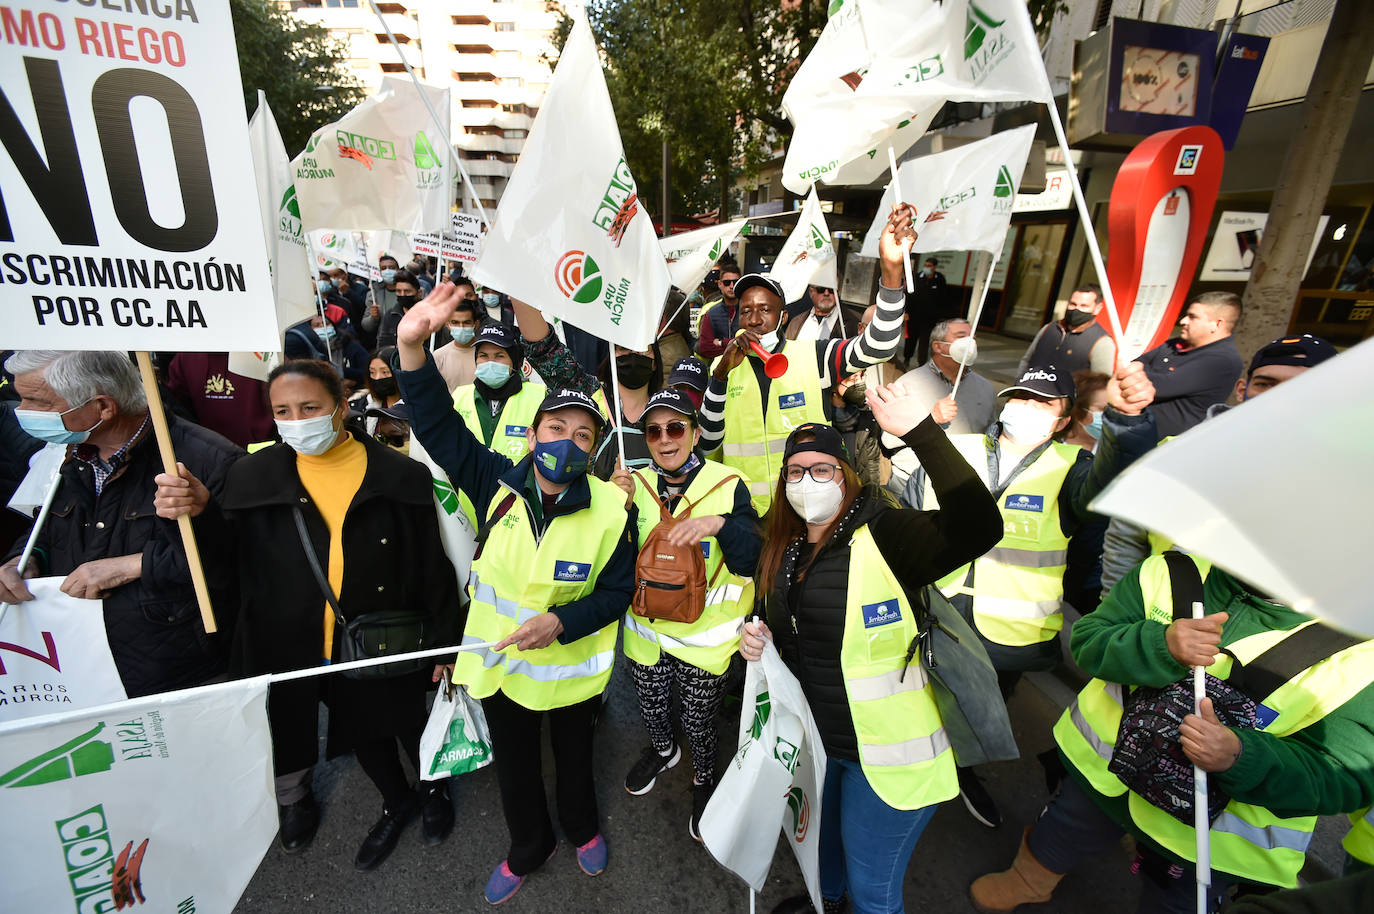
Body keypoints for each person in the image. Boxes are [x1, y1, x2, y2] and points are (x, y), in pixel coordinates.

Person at [152, 359, 461, 869]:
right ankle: (396, 799)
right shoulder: (251, 476)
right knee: (361, 731)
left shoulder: (399, 475)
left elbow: (431, 566)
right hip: (294, 643)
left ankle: (433, 793)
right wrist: (202, 514)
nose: (296, 420)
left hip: (382, 638)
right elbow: (228, 564)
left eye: (310, 407)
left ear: (341, 406)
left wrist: (446, 645)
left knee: (407, 720)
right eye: (282, 411)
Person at [391, 282, 637, 905]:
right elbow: (438, 426)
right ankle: (529, 845)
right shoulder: (495, 483)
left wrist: (561, 623)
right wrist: (410, 348)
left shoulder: (613, 509)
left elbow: (616, 593)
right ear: (532, 435)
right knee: (517, 766)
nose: (566, 442)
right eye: (556, 427)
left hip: (571, 675)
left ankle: (581, 829)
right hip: (499, 666)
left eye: (583, 436)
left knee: (575, 760)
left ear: (594, 450)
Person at [969, 550, 1374, 913]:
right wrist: (1159, 645)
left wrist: (1241, 756)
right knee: (1063, 829)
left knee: (1174, 901)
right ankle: (1029, 881)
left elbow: (1346, 772)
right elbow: (1090, 642)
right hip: (1103, 777)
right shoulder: (1173, 570)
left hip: (1209, 842)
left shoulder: (1359, 654)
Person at [738, 385, 1003, 914]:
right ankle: (826, 902)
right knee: (820, 847)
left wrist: (922, 434)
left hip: (888, 758)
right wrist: (757, 638)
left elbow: (979, 527)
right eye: (795, 471)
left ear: (847, 476)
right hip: (820, 744)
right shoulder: (783, 546)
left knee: (874, 894)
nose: (807, 481)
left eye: (822, 469)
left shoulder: (885, 534)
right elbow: (787, 626)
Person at [900, 361, 1159, 828]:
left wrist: (1128, 423)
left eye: (1044, 402)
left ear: (1064, 420)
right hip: (937, 610)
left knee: (981, 711)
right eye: (1020, 397)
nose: (1028, 408)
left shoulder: (1073, 471)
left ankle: (959, 772)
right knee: (920, 697)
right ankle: (912, 768)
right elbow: (909, 510)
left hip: (1011, 633)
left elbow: (1113, 474)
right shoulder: (955, 448)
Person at [0, 351, 241, 698]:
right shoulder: (61, 454)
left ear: (103, 407)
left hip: (174, 674)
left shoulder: (207, 459)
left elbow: (233, 561)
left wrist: (134, 565)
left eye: (37, 401)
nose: (22, 411)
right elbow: (44, 527)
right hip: (76, 663)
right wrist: (24, 559)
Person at [609, 388, 761, 839]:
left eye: (676, 427)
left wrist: (721, 525)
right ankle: (662, 750)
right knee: (652, 707)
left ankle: (703, 774)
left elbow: (753, 557)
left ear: (695, 434)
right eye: (653, 431)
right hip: (646, 633)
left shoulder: (728, 483)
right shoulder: (630, 484)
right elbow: (611, 558)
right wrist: (612, 508)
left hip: (706, 641)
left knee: (699, 719)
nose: (664, 438)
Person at [698, 205, 911, 513]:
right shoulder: (724, 369)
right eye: (746, 311)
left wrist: (891, 274)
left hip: (806, 512)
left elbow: (879, 346)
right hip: (746, 513)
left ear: (783, 317)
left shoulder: (815, 355)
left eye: (765, 310)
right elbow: (707, 444)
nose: (755, 320)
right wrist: (719, 376)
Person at [1099, 333, 1337, 597]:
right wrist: (1113, 619)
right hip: (1155, 627)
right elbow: (1126, 541)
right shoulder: (1175, 455)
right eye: (1265, 383)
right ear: (1241, 389)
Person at [510, 300, 663, 478]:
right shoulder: (587, 393)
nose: (634, 356)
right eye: (624, 348)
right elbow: (544, 350)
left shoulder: (666, 409)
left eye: (643, 350)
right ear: (611, 356)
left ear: (655, 362)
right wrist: (518, 290)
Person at [886, 318, 999, 494]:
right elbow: (888, 439)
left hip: (961, 484)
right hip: (911, 481)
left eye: (973, 337)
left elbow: (990, 438)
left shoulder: (986, 388)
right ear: (938, 346)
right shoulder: (908, 383)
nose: (971, 343)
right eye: (961, 336)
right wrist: (931, 419)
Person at [1135, 291, 1244, 438]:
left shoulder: (1223, 360)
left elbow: (1160, 386)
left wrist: (1142, 372)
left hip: (1167, 447)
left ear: (1217, 324)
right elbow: (1135, 363)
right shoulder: (1174, 344)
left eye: (1193, 317)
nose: (1183, 321)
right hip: (1136, 432)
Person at [831, 304, 904, 487]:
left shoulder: (897, 369)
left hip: (876, 461)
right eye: (875, 329)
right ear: (860, 329)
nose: (882, 336)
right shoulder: (839, 358)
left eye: (888, 331)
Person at [1059, 371, 1112, 616]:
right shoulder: (1054, 450)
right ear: (1079, 411)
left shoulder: (1114, 456)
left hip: (1092, 571)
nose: (1109, 417)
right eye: (1102, 409)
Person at [164, 352, 274, 450]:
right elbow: (178, 411)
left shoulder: (263, 353)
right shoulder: (186, 358)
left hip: (260, 454)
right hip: (208, 456)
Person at [1015, 284, 1117, 379]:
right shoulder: (1049, 328)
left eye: (1084, 306)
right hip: (1028, 393)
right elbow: (1026, 360)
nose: (1076, 309)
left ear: (1097, 308)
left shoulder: (1102, 342)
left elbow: (1099, 385)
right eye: (1073, 304)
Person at [284, 313, 371, 392]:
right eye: (317, 325)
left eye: (326, 323)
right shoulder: (310, 352)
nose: (323, 326)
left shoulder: (349, 345)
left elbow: (367, 370)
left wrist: (348, 376)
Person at [432, 278, 482, 390]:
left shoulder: (485, 354)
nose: (461, 327)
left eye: (466, 322)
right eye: (455, 322)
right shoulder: (438, 356)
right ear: (447, 324)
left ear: (476, 324)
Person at [903, 256, 949, 367]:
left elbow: (943, 298)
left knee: (924, 341)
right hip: (914, 316)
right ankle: (907, 358)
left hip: (929, 318)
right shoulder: (917, 277)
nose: (926, 268)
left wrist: (941, 315)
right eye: (926, 265)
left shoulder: (939, 279)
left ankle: (921, 362)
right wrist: (906, 312)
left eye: (929, 266)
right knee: (911, 340)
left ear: (935, 267)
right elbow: (909, 295)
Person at [695, 263, 743, 360]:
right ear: (720, 284)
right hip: (718, 369)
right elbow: (705, 348)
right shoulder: (712, 313)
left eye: (735, 282)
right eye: (727, 282)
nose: (731, 286)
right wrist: (737, 348)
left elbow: (752, 344)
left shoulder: (749, 310)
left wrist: (722, 342)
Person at [371, 270, 425, 350]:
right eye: (399, 291)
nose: (402, 295)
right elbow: (383, 346)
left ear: (419, 293)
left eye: (407, 291)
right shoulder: (390, 315)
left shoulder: (428, 314)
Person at [785, 284, 853, 342]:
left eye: (831, 289)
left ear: (839, 292)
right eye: (821, 289)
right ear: (811, 292)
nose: (826, 293)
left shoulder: (853, 323)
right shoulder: (796, 322)